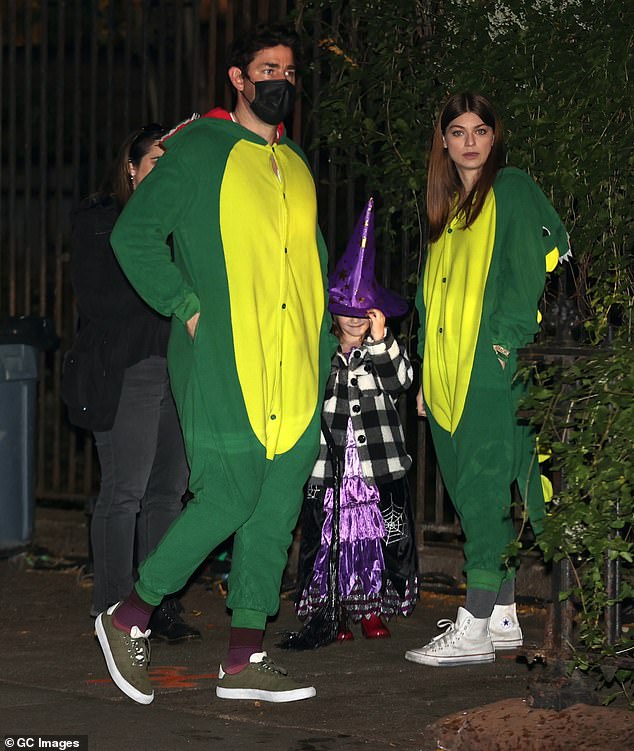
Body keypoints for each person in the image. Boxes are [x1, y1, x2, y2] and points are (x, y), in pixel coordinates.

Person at [94, 24, 332, 705]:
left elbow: (310, 261)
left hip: (296, 370)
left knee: (275, 506)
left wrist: (331, 333)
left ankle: (243, 656)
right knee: (228, 494)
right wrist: (185, 304)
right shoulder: (198, 149)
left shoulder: (297, 161)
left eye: (287, 68)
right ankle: (127, 615)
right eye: (266, 68)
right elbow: (134, 233)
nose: (278, 79)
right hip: (224, 363)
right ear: (238, 78)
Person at [405, 92, 570, 667]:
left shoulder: (512, 188)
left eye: (480, 130)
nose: (469, 140)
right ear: (444, 142)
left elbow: (526, 276)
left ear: (494, 138)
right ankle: (502, 618)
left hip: (489, 369)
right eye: (457, 130)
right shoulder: (448, 209)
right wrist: (427, 374)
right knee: (475, 492)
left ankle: (471, 624)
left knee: (483, 491)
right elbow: (431, 303)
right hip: (449, 376)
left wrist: (501, 348)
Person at [63, 123, 199, 643]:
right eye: (156, 165)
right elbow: (103, 302)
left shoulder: (183, 223)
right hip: (128, 368)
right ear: (131, 167)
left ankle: (155, 604)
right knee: (126, 491)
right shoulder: (102, 221)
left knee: (170, 492)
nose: (165, 176)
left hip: (178, 365)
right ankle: (113, 610)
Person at [294, 198, 418, 642]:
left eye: (361, 311)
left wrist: (383, 341)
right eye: (344, 309)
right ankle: (333, 611)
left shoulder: (381, 351)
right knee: (331, 539)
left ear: (375, 315)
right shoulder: (321, 351)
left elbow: (401, 380)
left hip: (374, 470)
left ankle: (371, 609)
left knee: (374, 540)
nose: (352, 318)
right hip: (329, 468)